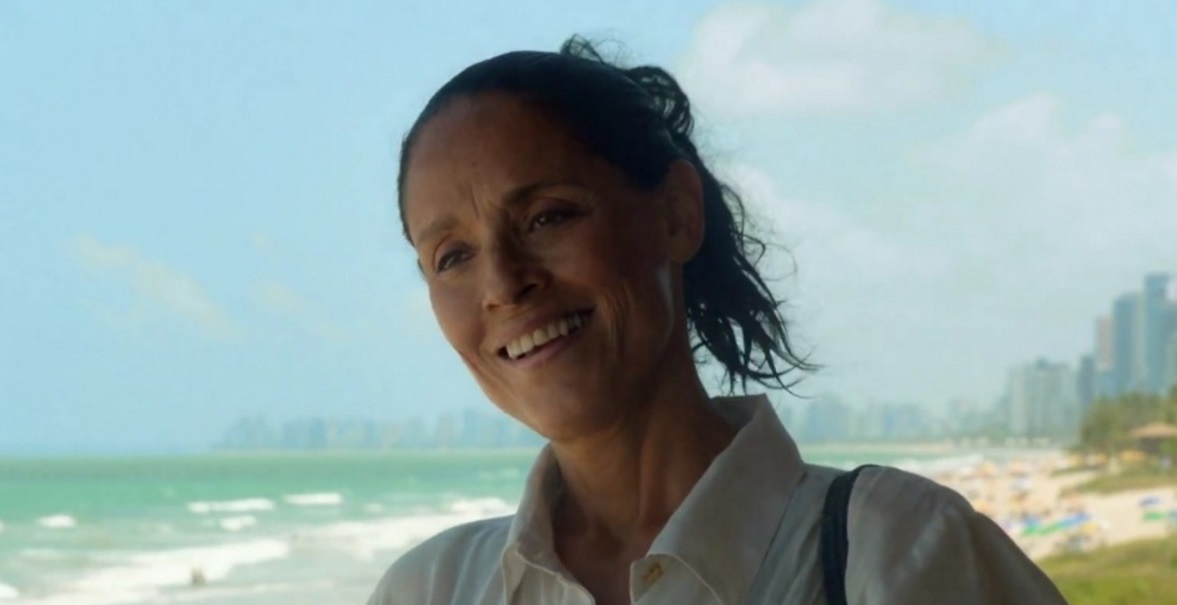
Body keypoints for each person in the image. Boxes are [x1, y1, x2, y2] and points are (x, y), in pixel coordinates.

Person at [367, 36, 1068, 605]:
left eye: (547, 217)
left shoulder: (901, 549)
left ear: (676, 214)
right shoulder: (430, 589)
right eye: (452, 256)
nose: (502, 283)